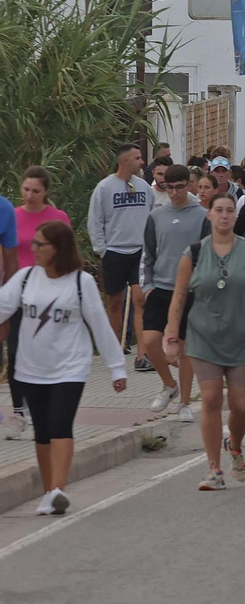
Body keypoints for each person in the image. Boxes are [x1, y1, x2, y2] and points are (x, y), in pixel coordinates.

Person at [0, 220, 127, 515]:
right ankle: (49, 493)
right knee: (42, 432)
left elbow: (100, 325)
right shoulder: (25, 278)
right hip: (31, 369)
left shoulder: (80, 283)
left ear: (58, 249)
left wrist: (117, 367)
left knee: (60, 424)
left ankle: (58, 488)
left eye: (39, 244)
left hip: (70, 368)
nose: (33, 249)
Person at [167, 191, 245, 490]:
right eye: (219, 211)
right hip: (204, 337)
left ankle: (234, 443)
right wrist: (172, 337)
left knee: (242, 405)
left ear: (235, 217)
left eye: (229, 211)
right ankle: (214, 469)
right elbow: (179, 297)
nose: (224, 216)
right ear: (209, 215)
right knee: (211, 399)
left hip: (243, 338)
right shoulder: (194, 254)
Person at [142, 163, 209, 421]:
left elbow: (207, 255)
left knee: (184, 349)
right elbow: (147, 253)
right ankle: (169, 385)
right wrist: (146, 286)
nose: (175, 193)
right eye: (170, 188)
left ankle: (184, 403)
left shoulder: (202, 215)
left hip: (190, 291)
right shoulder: (156, 215)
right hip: (160, 286)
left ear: (188, 185)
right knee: (149, 342)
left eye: (180, 187)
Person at [6, 167, 64, 440]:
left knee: (45, 352)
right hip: (19, 293)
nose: (30, 196)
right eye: (26, 190)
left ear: (46, 193)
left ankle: (47, 408)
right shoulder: (12, 216)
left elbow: (66, 256)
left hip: (50, 294)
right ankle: (19, 412)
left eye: (36, 191)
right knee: (16, 351)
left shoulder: (57, 219)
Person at [88, 143, 153, 367]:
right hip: (114, 252)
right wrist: (102, 250)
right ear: (125, 161)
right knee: (114, 302)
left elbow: (152, 217)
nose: (142, 162)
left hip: (139, 252)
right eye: (138, 158)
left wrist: (150, 247)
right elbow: (95, 221)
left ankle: (142, 354)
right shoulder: (104, 188)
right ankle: (113, 350)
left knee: (140, 300)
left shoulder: (144, 187)